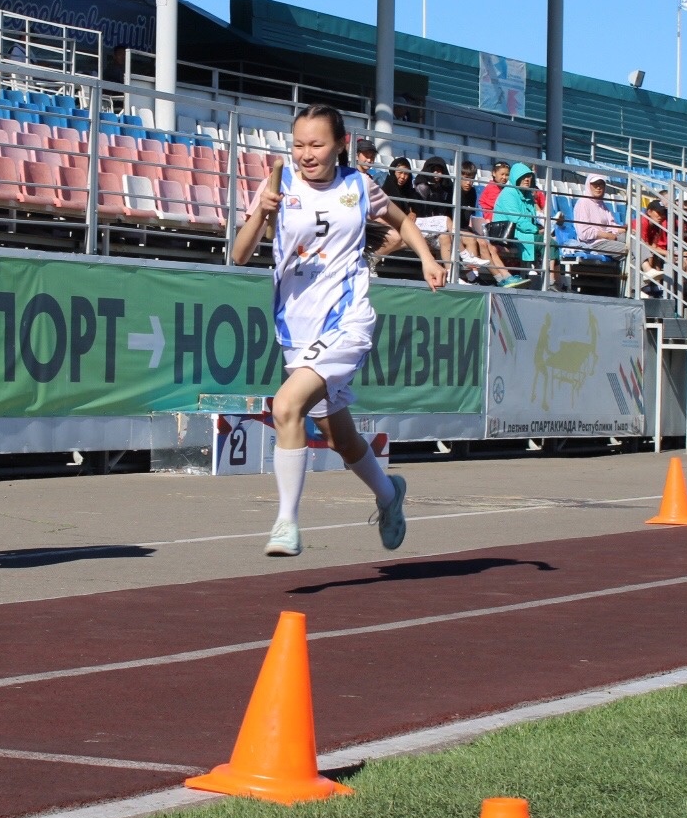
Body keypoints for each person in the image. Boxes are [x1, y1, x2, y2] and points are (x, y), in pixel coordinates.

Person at [230, 103, 445, 558]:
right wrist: (259, 214)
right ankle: (389, 495)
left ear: (340, 144)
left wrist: (427, 257)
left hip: (347, 319)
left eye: (317, 144)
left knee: (287, 406)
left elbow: (402, 221)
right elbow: (239, 255)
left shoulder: (359, 186)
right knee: (337, 437)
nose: (306, 154)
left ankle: (286, 522)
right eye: (299, 144)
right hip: (297, 328)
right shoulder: (278, 183)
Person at [489, 163, 547, 272]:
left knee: (550, 241)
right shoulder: (509, 193)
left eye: (529, 177)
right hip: (510, 234)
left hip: (522, 232)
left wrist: (537, 228)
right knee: (548, 242)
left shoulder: (527, 195)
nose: (527, 179)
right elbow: (517, 220)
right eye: (523, 176)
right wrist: (536, 230)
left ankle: (550, 279)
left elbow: (530, 219)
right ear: (516, 177)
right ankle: (550, 280)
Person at [571, 172, 629, 256]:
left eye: (601, 184)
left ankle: (648, 268)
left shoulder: (603, 205)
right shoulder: (583, 203)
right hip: (593, 243)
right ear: (589, 185)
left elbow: (611, 226)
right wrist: (607, 236)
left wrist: (625, 229)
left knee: (634, 240)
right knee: (627, 249)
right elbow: (583, 233)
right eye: (595, 184)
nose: (598, 187)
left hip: (607, 239)